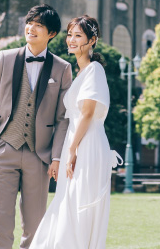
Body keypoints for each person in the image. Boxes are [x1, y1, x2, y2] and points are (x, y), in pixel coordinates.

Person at [0, 4, 73, 249]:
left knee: (35, 226)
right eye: (29, 22)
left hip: (38, 155)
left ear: (51, 34)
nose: (31, 28)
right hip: (3, 150)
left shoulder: (62, 69)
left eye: (38, 25)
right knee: (1, 222)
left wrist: (55, 158)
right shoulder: (5, 58)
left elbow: (64, 118)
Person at [30, 14, 121, 249]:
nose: (71, 39)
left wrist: (71, 150)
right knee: (67, 202)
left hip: (87, 145)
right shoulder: (79, 72)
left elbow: (88, 112)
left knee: (80, 203)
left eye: (78, 35)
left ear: (92, 40)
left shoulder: (94, 70)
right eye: (69, 34)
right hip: (77, 141)